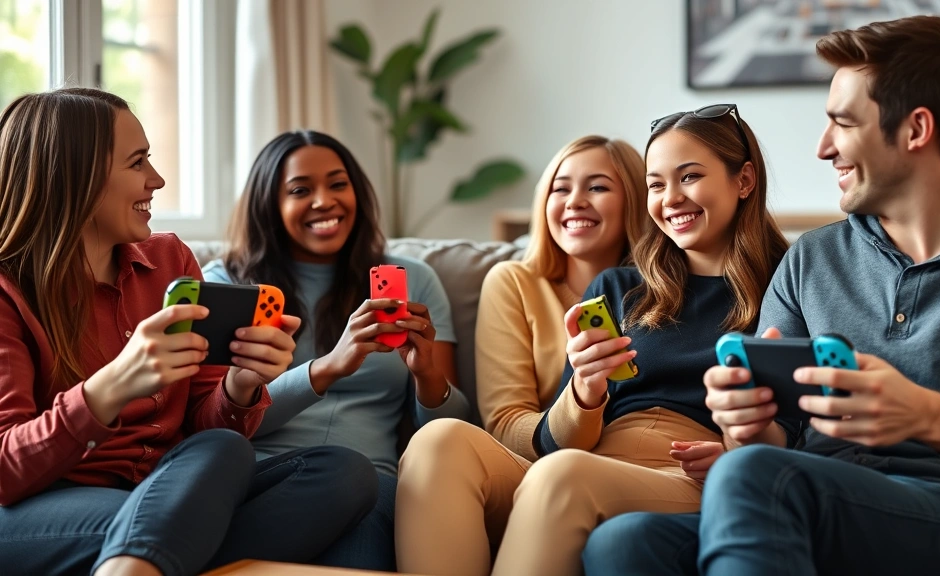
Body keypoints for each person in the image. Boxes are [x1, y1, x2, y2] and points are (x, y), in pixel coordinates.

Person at [584, 16, 940, 576]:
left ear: (916, 129)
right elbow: (770, 439)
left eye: (842, 123)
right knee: (623, 543)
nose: (822, 149)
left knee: (758, 477)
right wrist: (745, 422)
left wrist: (931, 416)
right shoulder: (812, 259)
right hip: (804, 495)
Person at [0, 88, 377, 576]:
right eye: (138, 164)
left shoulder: (168, 261)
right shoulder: (9, 290)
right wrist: (112, 386)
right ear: (78, 177)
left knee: (339, 473)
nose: (156, 180)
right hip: (41, 507)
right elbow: (7, 472)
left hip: (166, 490)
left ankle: (148, 556)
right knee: (170, 513)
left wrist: (240, 385)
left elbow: (207, 426)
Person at [398, 111, 787, 576]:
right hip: (591, 460)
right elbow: (563, 441)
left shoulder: (788, 282)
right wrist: (585, 389)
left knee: (564, 476)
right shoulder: (620, 286)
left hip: (689, 473)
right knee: (438, 440)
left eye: (690, 177)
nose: (671, 198)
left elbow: (798, 422)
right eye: (657, 185)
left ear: (744, 180)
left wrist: (735, 454)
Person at [203, 130, 468, 570]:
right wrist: (325, 368)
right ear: (270, 203)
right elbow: (216, 418)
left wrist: (428, 377)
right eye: (300, 190)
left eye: (337, 184)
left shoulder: (414, 279)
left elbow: (455, 435)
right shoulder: (230, 285)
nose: (324, 201)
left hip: (371, 483)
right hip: (259, 476)